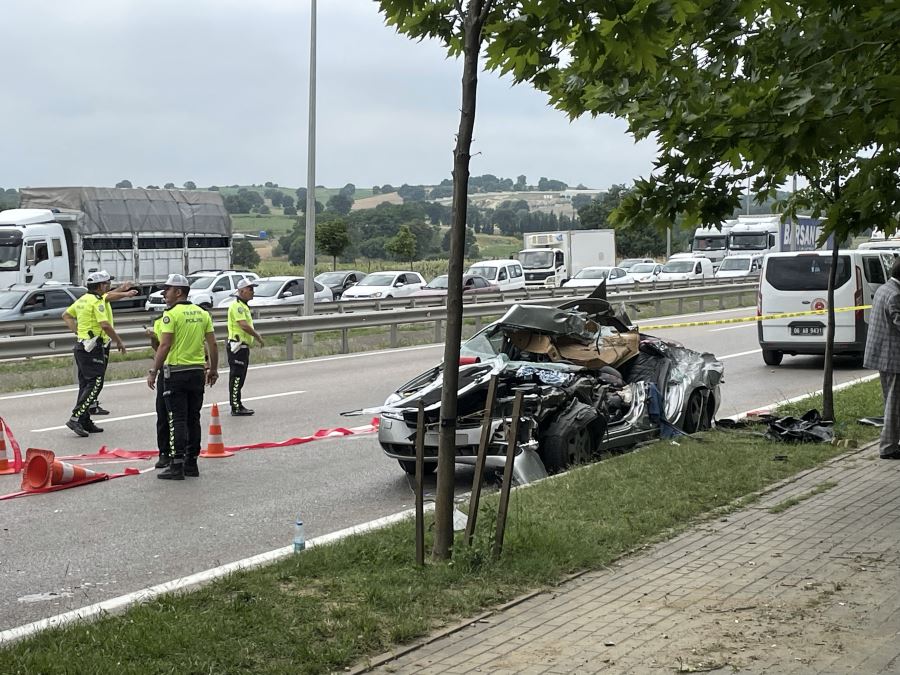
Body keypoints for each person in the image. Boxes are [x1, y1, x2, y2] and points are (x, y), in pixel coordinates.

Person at [147, 274, 218, 480]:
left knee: (176, 419)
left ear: (178, 292)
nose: (164, 293)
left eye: (167, 289)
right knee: (193, 419)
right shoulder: (202, 313)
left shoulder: (171, 315)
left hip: (176, 373)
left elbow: (165, 344)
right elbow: (212, 344)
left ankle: (176, 465)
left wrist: (153, 371)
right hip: (197, 373)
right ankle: (191, 464)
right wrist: (213, 369)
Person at [61, 271, 135, 437]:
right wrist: (118, 340)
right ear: (101, 286)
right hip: (93, 347)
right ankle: (76, 417)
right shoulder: (97, 302)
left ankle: (85, 420)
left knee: (85, 384)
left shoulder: (83, 299)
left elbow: (66, 315)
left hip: (82, 346)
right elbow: (105, 325)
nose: (108, 287)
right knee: (96, 383)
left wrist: (78, 332)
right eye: (107, 284)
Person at [863, 258, 900, 459]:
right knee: (894, 404)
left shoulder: (884, 289)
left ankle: (892, 443)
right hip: (893, 358)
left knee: (891, 402)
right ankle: (888, 447)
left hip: (884, 356)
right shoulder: (895, 295)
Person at [226, 278, 264, 416]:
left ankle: (237, 404)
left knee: (240, 377)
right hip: (237, 347)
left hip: (242, 347)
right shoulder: (237, 306)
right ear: (241, 291)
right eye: (250, 289)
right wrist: (257, 336)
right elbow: (243, 324)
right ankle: (235, 406)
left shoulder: (243, 306)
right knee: (236, 377)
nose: (253, 292)